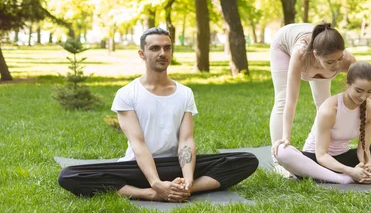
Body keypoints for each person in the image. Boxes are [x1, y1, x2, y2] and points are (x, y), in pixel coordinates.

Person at [58, 27, 258, 201]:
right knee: (69, 175)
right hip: (138, 167)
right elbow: (138, 144)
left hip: (175, 165)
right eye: (155, 48)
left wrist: (187, 179)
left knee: (246, 160)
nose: (162, 53)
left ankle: (181, 190)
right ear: (142, 53)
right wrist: (155, 184)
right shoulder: (127, 94)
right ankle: (149, 194)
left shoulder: (185, 93)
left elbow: (186, 140)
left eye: (167, 48)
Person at [270, 23, 371, 161]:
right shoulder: (301, 55)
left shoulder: (347, 60)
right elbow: (291, 101)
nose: (337, 65)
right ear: (316, 55)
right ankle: (279, 158)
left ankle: (324, 152)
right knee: (282, 100)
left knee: (324, 106)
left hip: (321, 49)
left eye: (339, 59)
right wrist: (286, 137)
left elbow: (367, 96)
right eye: (331, 62)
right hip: (283, 46)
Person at [273, 61, 371, 184]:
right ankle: (343, 179)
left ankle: (368, 173)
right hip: (316, 162)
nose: (364, 97)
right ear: (347, 84)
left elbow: (363, 148)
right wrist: (350, 172)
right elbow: (322, 155)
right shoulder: (329, 109)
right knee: (281, 152)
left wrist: (367, 164)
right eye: (359, 90)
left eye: (369, 91)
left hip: (344, 158)